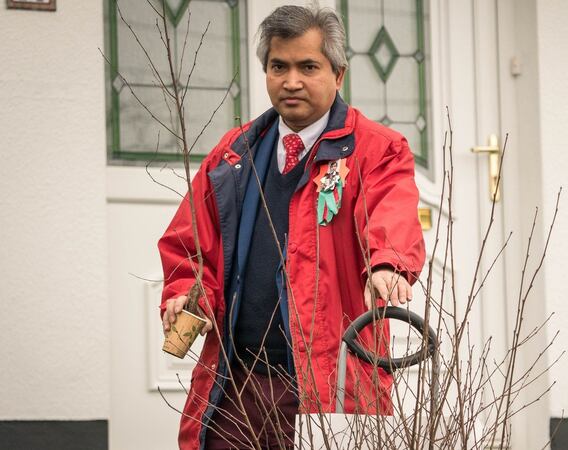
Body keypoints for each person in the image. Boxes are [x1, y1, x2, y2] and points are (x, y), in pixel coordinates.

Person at [157, 4, 425, 450]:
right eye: (278, 66)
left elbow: (392, 212)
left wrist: (388, 264)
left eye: (308, 66)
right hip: (234, 380)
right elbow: (191, 243)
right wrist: (185, 291)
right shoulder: (233, 153)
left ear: (338, 75)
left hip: (326, 383)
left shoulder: (378, 150)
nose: (292, 81)